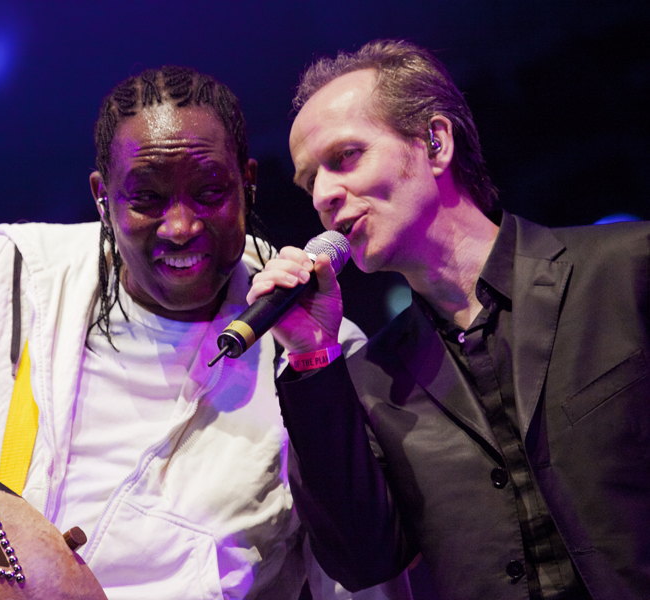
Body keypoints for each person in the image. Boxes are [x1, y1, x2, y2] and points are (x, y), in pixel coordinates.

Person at [0, 66, 410, 600]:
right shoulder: (7, 284)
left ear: (249, 182)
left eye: (211, 192)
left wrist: (316, 357)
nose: (181, 226)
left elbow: (357, 581)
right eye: (146, 198)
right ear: (102, 197)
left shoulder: (315, 337)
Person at [249, 39, 650, 600]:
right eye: (309, 180)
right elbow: (362, 559)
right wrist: (313, 353)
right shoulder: (372, 380)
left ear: (435, 143)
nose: (322, 195)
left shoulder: (628, 268)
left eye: (344, 157)